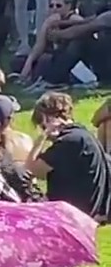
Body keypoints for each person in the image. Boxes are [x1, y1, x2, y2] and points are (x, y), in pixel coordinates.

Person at [27, 91, 111, 220]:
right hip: (88, 208)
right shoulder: (82, 135)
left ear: (47, 118)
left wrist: (41, 139)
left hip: (75, 214)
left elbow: (32, 169)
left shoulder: (69, 141)